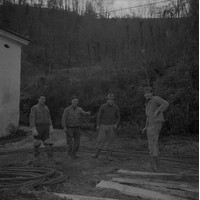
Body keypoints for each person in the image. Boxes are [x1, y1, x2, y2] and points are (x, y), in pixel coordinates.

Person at [142, 87, 169, 171]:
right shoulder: (148, 103)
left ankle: (153, 166)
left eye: (148, 93)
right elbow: (148, 117)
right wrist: (145, 127)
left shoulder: (155, 99)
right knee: (154, 144)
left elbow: (166, 104)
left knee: (152, 144)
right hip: (150, 125)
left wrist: (158, 110)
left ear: (152, 93)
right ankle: (156, 165)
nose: (147, 94)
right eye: (145, 93)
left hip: (155, 124)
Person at [92, 94, 120, 161]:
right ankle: (96, 154)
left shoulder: (116, 108)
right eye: (109, 100)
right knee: (100, 140)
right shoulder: (103, 106)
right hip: (103, 125)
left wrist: (116, 124)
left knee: (110, 140)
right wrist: (98, 124)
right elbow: (99, 115)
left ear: (114, 100)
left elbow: (118, 117)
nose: (111, 101)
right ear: (107, 100)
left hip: (112, 126)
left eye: (112, 100)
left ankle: (109, 156)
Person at [29, 95, 54, 159]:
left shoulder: (46, 108)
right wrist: (33, 128)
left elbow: (49, 117)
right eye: (41, 99)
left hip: (46, 127)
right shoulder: (34, 108)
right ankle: (36, 158)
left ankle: (50, 159)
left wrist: (51, 126)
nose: (43, 100)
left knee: (48, 143)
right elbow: (32, 119)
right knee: (37, 143)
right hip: (38, 127)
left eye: (44, 99)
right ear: (38, 99)